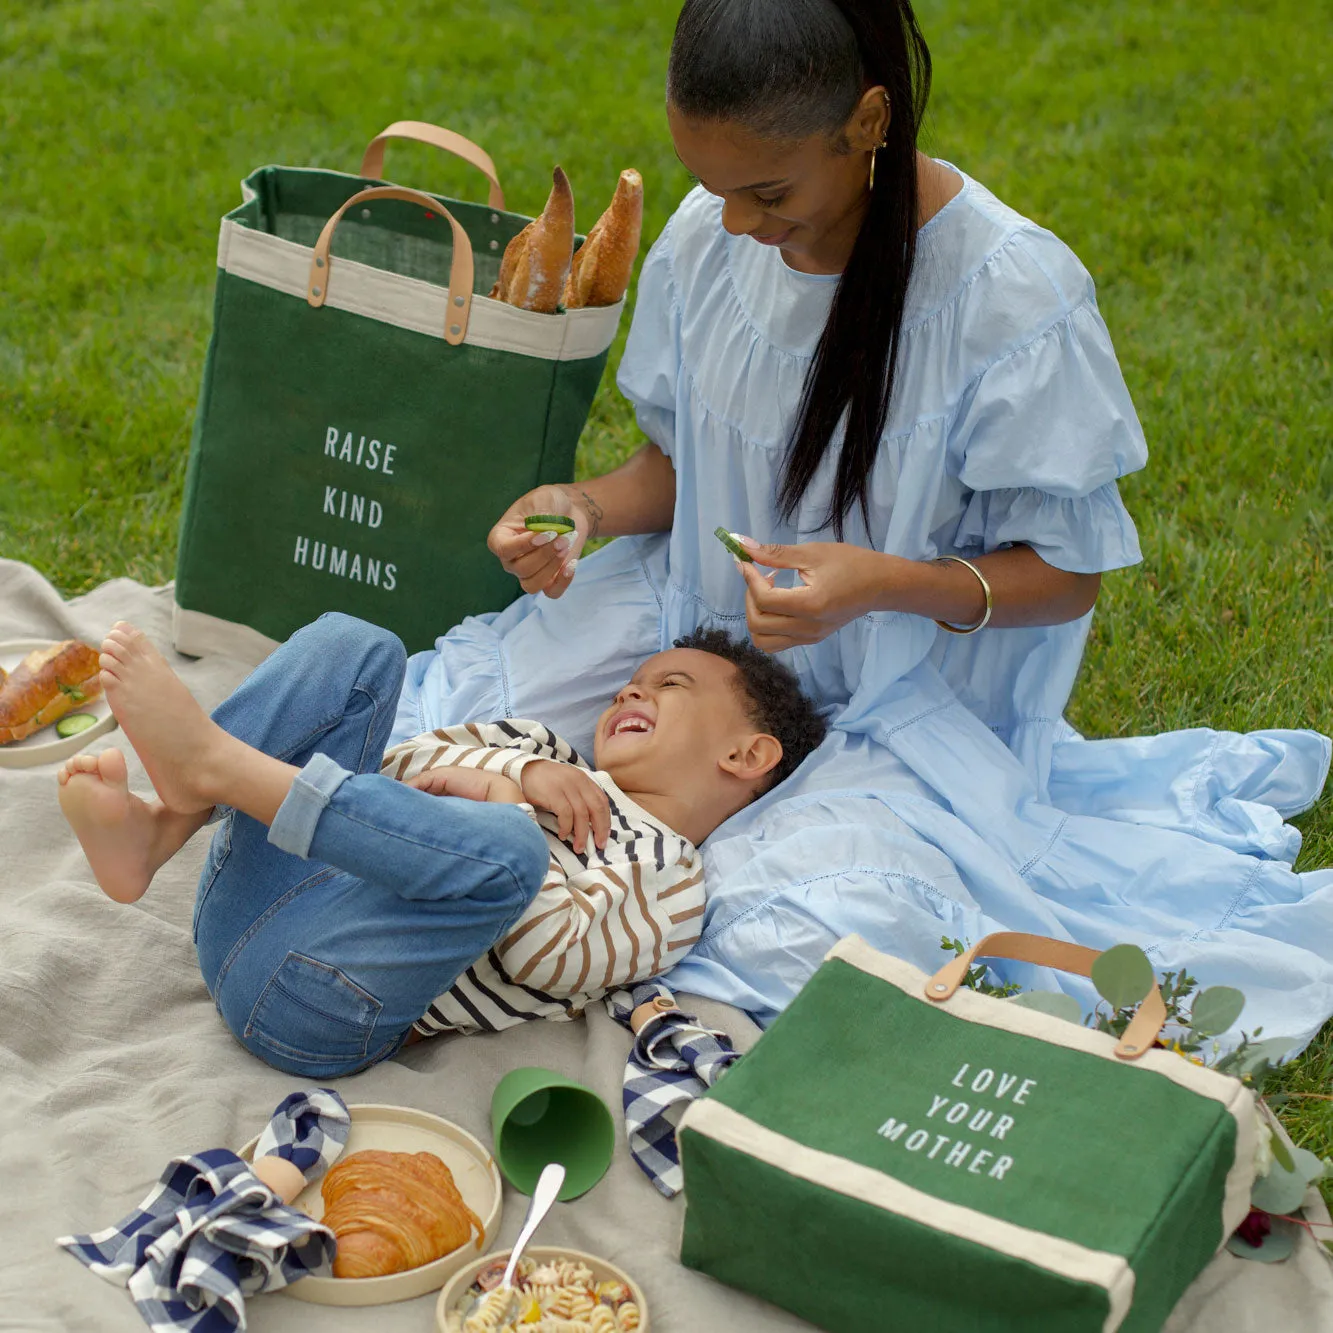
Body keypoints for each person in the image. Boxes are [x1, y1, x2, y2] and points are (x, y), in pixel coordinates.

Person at [391, 0, 1333, 1046]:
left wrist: (881, 584)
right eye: (714, 188)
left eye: (768, 191)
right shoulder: (711, 241)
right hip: (694, 639)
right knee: (447, 722)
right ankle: (579, 919)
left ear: (870, 121)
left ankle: (591, 924)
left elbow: (1065, 576)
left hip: (905, 698)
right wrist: (584, 507)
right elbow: (680, 464)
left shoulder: (1011, 298)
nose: (737, 224)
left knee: (819, 924)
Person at [55, 615, 828, 1076]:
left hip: (315, 999)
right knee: (359, 648)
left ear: (746, 756)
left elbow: (548, 958)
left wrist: (505, 808)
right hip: (257, 897)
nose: (632, 690)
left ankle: (210, 763)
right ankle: (167, 824)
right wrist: (521, 768)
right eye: (632, 681)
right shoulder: (538, 746)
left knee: (508, 856)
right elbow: (390, 774)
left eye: (670, 686)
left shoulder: (671, 881)